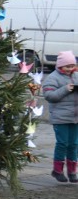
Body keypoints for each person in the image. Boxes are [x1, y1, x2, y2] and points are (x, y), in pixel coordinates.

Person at [42, 50, 78, 182]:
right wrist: (65, 89)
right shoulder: (52, 78)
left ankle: (72, 172)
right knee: (63, 143)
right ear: (60, 66)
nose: (70, 69)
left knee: (74, 144)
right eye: (67, 66)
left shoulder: (76, 76)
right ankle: (57, 170)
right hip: (60, 118)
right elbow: (49, 96)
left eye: (72, 66)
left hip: (75, 118)